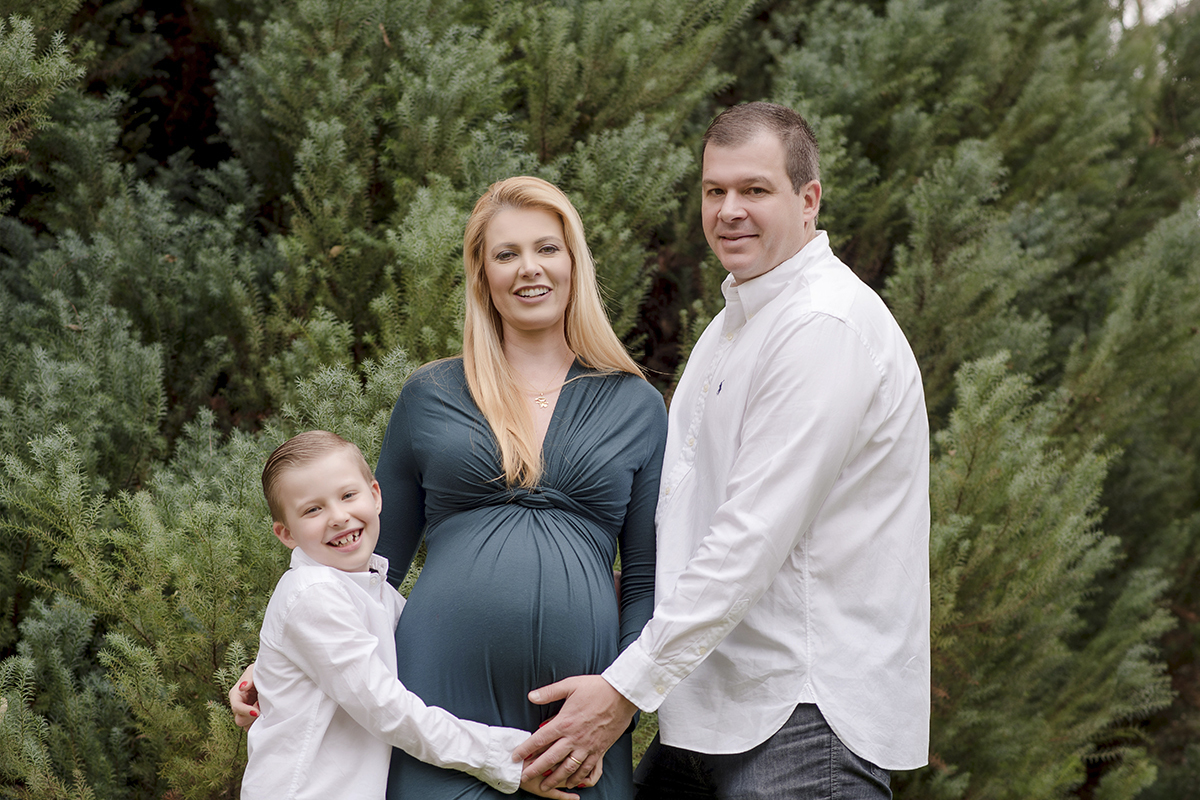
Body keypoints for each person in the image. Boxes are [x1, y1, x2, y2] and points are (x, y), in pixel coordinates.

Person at [516, 102, 931, 799]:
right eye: (715, 191)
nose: (730, 210)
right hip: (714, 712)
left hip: (802, 717)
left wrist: (624, 688)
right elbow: (689, 523)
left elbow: (751, 537)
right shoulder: (735, 324)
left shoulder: (822, 327)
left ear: (809, 200)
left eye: (755, 190)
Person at [241, 430, 537, 800]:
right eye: (312, 509)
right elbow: (386, 708)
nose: (338, 517)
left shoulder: (377, 592)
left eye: (348, 495)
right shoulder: (312, 593)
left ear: (376, 495)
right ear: (286, 534)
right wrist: (502, 757)